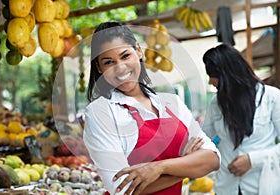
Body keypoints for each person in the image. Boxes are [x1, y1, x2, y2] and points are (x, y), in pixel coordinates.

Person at [83, 21, 220, 195]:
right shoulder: (100, 112)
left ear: (138, 51)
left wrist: (159, 168)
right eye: (109, 62)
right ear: (99, 68)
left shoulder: (172, 102)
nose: (120, 67)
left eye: (125, 56)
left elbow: (213, 159)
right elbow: (123, 189)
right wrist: (186, 165)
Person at [201, 44, 280, 195]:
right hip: (226, 188)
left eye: (213, 75)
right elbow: (202, 140)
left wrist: (253, 160)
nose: (211, 81)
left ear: (229, 74)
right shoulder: (216, 103)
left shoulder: (271, 97)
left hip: (262, 187)